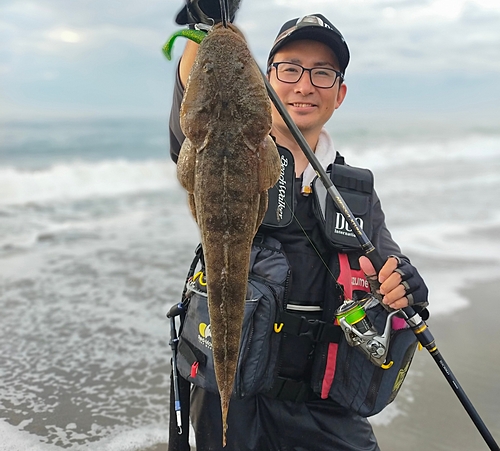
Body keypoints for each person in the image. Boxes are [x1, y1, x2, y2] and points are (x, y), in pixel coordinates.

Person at [168, 2, 429, 450]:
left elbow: (389, 265)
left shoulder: (356, 192)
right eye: (290, 69)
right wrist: (205, 26)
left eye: (322, 73)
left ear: (340, 92)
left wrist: (404, 282)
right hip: (235, 403)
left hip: (326, 410)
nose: (304, 85)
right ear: (266, 80)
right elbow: (192, 107)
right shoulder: (212, 139)